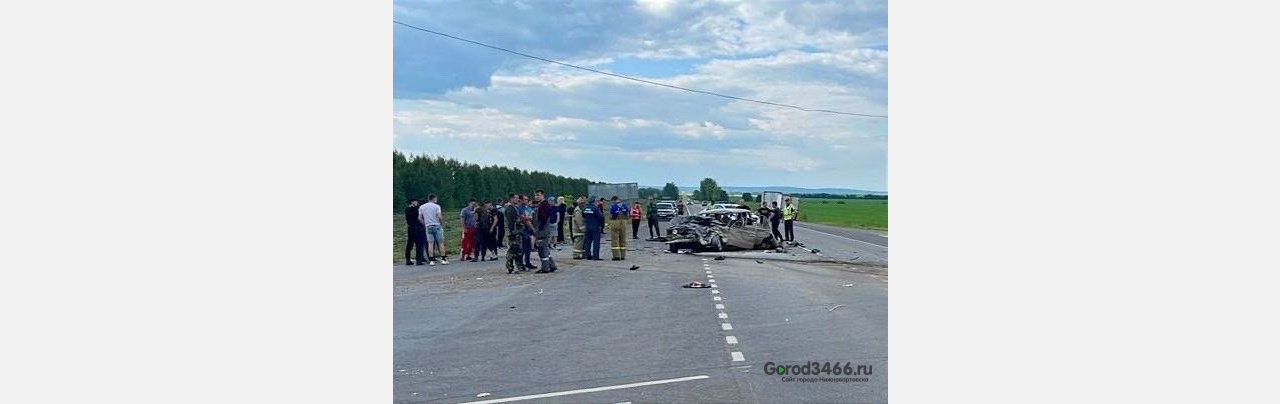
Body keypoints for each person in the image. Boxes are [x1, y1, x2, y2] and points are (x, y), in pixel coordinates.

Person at [533, 190, 558, 273]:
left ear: (543, 195)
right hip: (543, 229)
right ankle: (552, 265)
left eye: (538, 195)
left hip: (542, 230)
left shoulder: (544, 205)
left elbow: (543, 218)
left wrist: (538, 229)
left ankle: (545, 267)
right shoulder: (541, 204)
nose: (536, 197)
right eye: (535, 195)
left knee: (542, 249)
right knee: (545, 248)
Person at [418, 194, 447, 265]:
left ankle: (431, 260)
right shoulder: (437, 206)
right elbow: (439, 216)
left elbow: (419, 218)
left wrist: (424, 224)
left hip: (428, 226)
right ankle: (443, 259)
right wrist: (441, 223)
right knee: (440, 243)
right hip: (436, 225)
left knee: (430, 243)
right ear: (433, 198)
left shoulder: (422, 207)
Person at [503, 194, 524, 273]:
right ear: (511, 199)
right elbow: (511, 222)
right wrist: (512, 232)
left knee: (517, 249)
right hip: (513, 232)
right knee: (513, 249)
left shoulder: (515, 208)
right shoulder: (510, 209)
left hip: (516, 231)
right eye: (516, 198)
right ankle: (510, 265)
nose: (518, 200)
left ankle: (518, 266)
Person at [404, 198, 427, 266]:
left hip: (410, 228)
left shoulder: (406, 209)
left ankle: (408, 260)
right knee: (419, 244)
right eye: (416, 201)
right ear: (412, 202)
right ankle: (419, 260)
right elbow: (420, 217)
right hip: (418, 228)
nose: (417, 202)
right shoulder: (417, 209)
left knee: (409, 245)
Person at [581, 196, 603, 260]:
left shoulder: (584, 208)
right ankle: (595, 256)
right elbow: (600, 218)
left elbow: (583, 216)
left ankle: (588, 255)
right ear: (594, 201)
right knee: (596, 242)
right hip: (595, 226)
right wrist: (600, 224)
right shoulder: (595, 208)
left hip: (587, 226)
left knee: (587, 241)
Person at [608, 196, 629, 260]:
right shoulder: (625, 205)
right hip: (623, 223)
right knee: (623, 239)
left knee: (615, 240)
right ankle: (623, 255)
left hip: (615, 223)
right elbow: (627, 215)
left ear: (614, 200)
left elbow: (611, 216)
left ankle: (616, 256)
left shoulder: (613, 206)